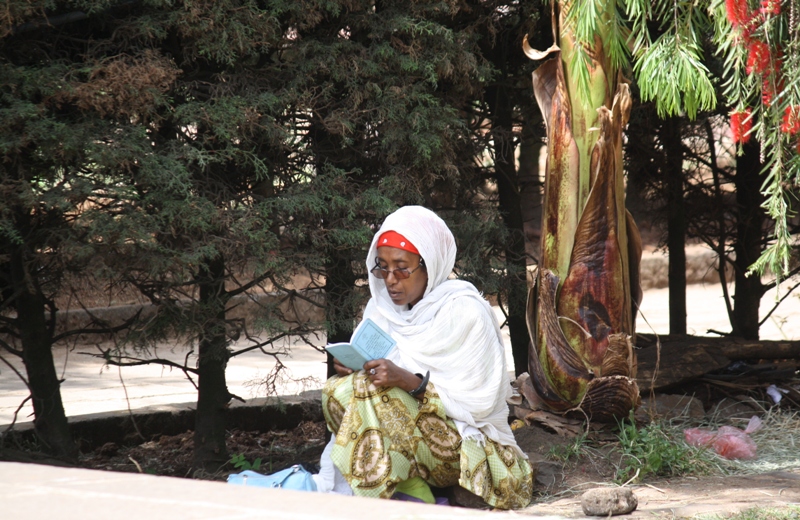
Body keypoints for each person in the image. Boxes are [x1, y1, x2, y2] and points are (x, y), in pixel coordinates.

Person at [316, 206, 533, 509]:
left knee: (372, 395)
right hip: (405, 438)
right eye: (383, 267)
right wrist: (354, 368)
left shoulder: (464, 311)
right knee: (335, 392)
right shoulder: (382, 310)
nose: (391, 280)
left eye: (402, 268)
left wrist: (408, 381)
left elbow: (479, 405)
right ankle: (409, 486)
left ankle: (372, 505)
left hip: (462, 444)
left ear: (429, 265)